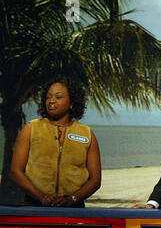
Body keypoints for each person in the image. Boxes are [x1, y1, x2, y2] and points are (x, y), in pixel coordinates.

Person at [10, 76, 101, 207]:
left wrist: (72, 199)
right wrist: (42, 198)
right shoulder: (31, 129)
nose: (51, 101)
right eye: (48, 97)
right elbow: (16, 171)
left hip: (74, 208)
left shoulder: (87, 134)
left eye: (58, 97)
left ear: (71, 103)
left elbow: (95, 180)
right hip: (35, 205)